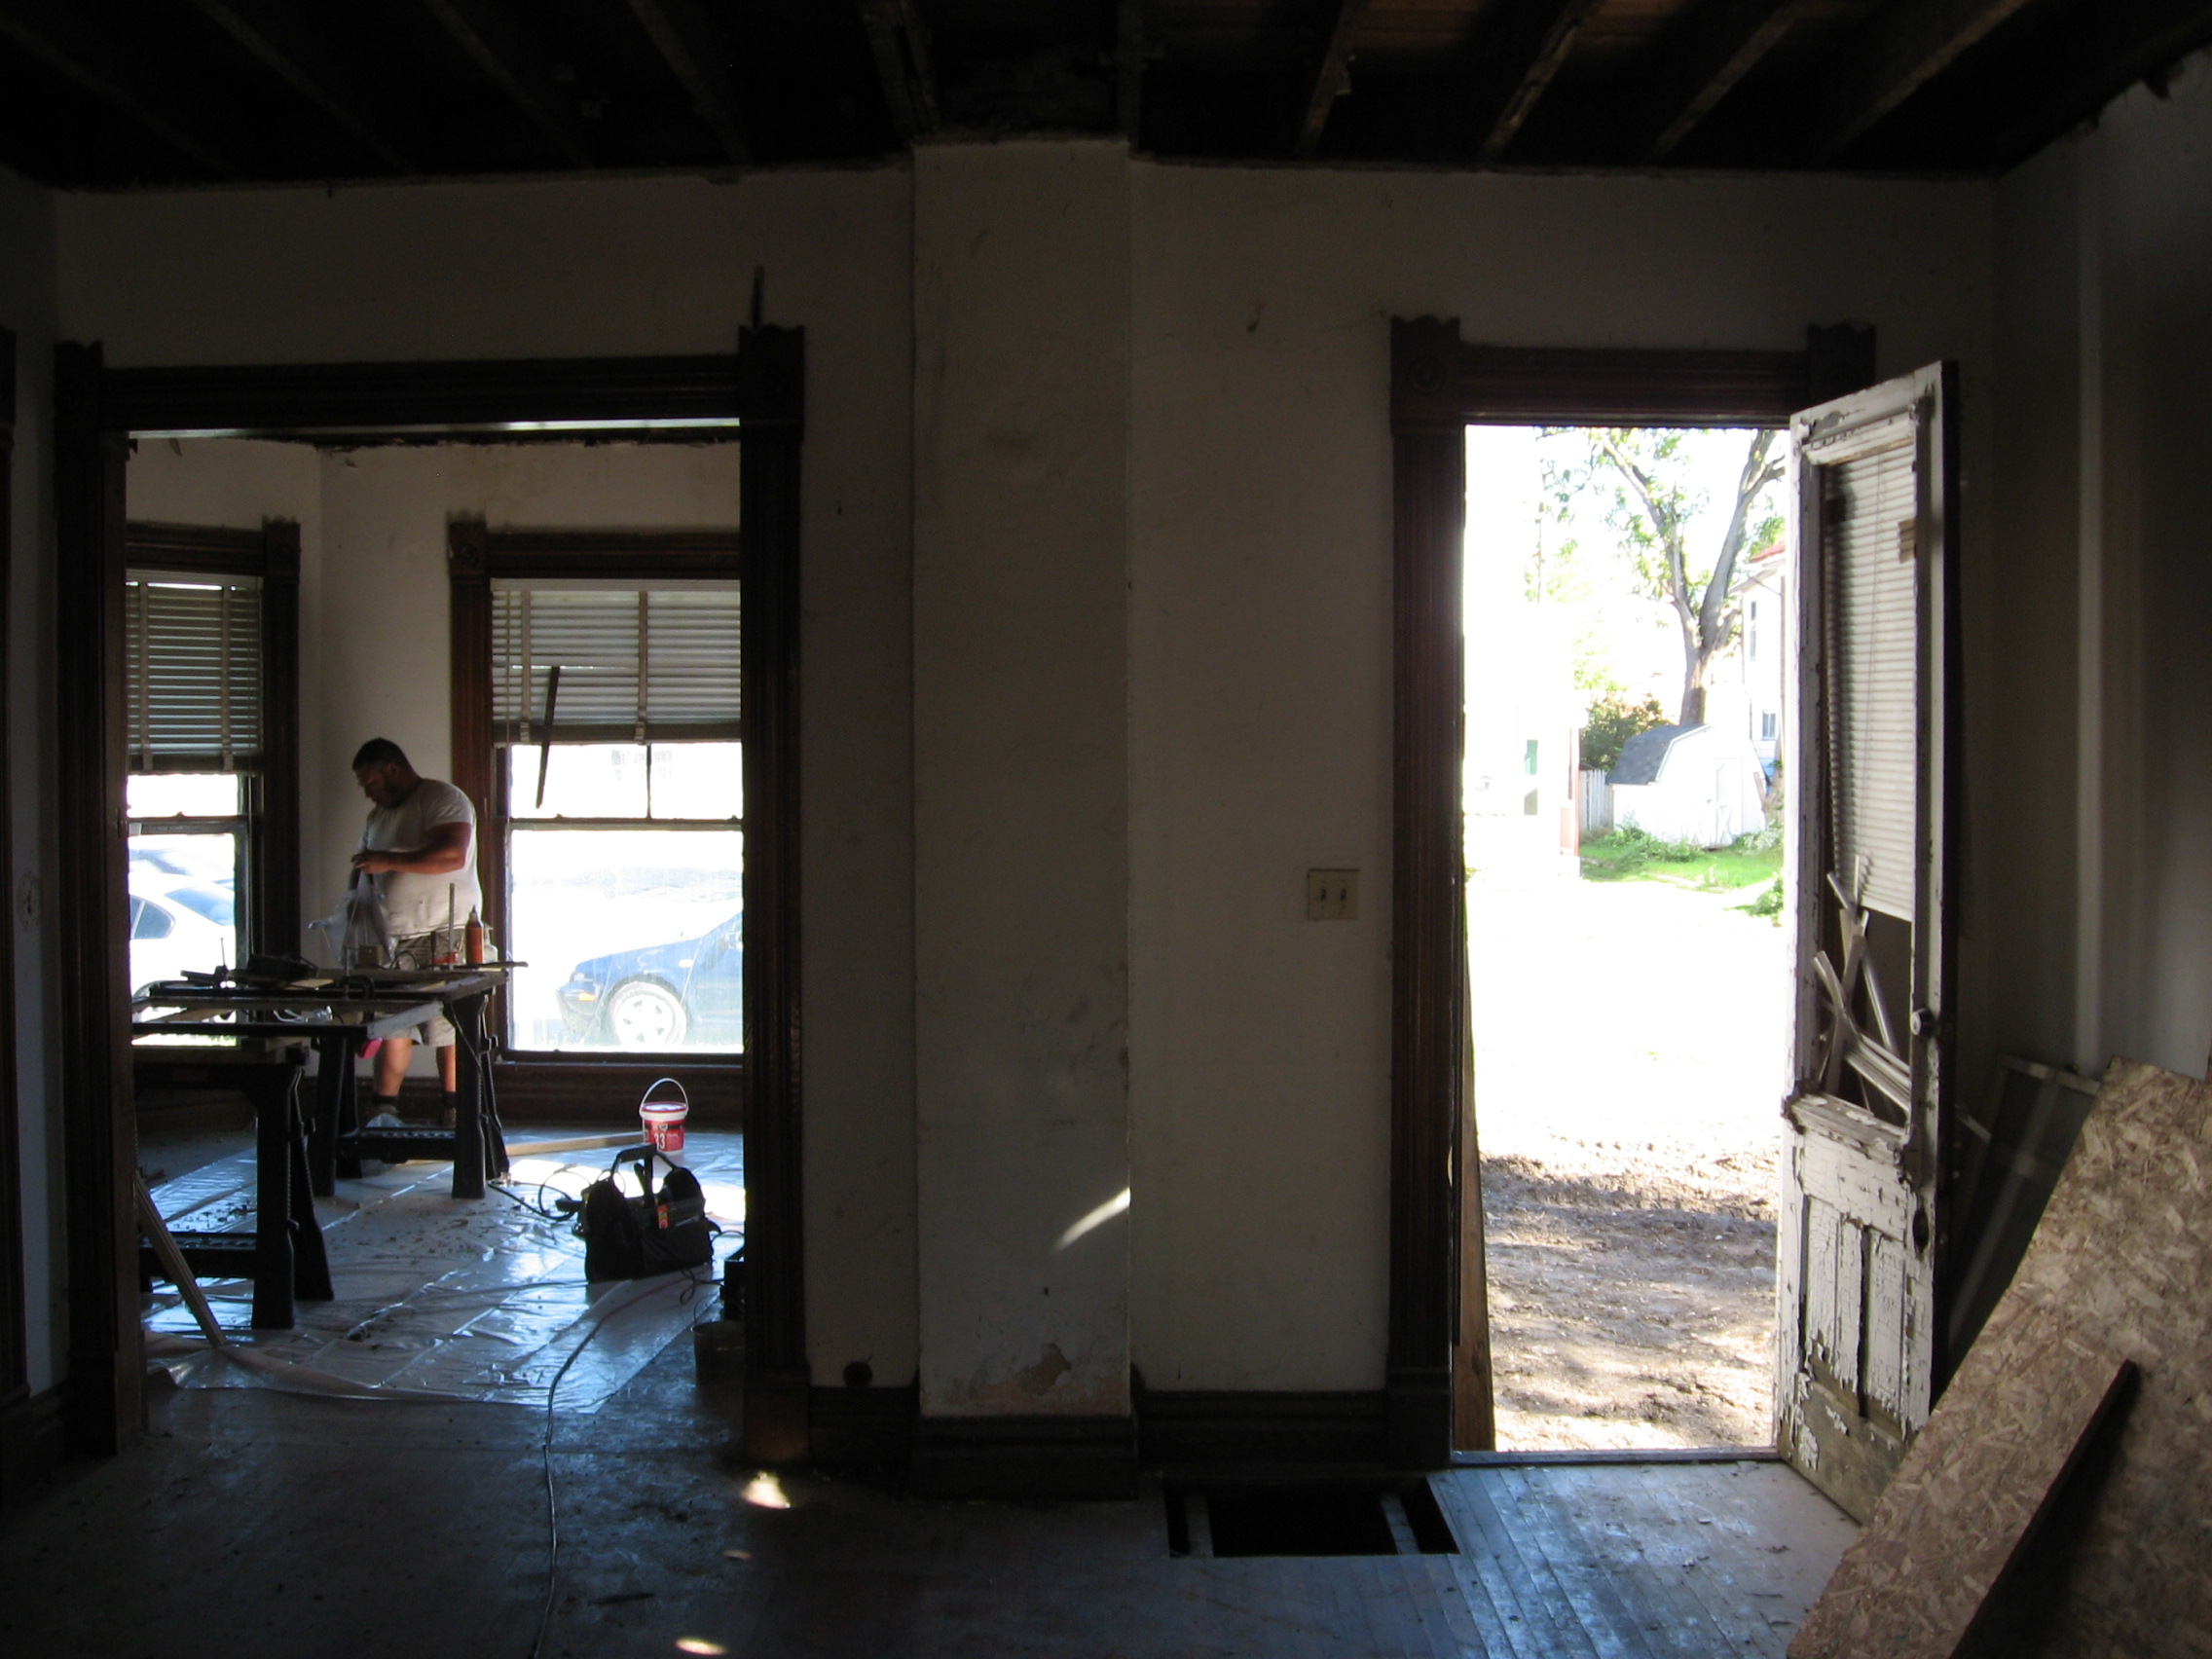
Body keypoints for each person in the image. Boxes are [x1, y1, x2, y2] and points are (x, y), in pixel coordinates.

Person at [350, 737, 482, 1126]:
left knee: (448, 1026)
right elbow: (362, 874)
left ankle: (455, 1110)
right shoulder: (377, 818)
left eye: (372, 782)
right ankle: (383, 1110)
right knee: (394, 1024)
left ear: (393, 769)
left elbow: (452, 855)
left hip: (445, 930)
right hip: (395, 938)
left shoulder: (443, 799)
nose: (367, 792)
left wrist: (388, 860)